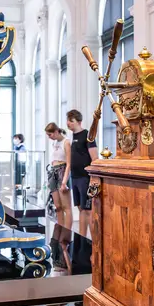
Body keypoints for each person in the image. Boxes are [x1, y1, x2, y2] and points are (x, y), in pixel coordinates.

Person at [45, 123, 72, 269]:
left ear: (56, 131)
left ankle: (66, 237)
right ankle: (59, 227)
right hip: (53, 171)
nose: (49, 138)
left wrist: (65, 181)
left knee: (66, 206)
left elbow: (68, 163)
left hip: (62, 171)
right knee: (58, 206)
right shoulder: (54, 143)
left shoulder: (66, 142)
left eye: (50, 135)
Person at [66, 109, 98, 234]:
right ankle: (82, 238)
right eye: (67, 120)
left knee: (88, 210)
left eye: (71, 121)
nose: (68, 123)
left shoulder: (87, 135)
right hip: (75, 177)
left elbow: (94, 158)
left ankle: (94, 242)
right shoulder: (72, 137)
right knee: (80, 209)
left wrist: (93, 178)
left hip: (85, 178)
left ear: (79, 121)